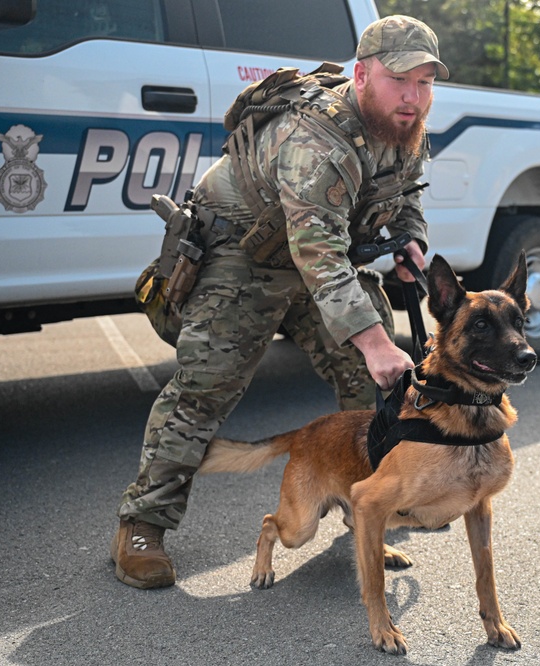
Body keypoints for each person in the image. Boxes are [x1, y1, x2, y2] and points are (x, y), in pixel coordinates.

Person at [110, 15, 448, 590]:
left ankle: (363, 506)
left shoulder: (403, 126)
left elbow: (403, 194)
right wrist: (373, 341)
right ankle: (142, 526)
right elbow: (319, 254)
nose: (413, 97)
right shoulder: (315, 138)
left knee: (370, 379)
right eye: (400, 81)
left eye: (424, 82)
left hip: (314, 256)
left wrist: (409, 237)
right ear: (362, 75)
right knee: (207, 384)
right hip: (240, 253)